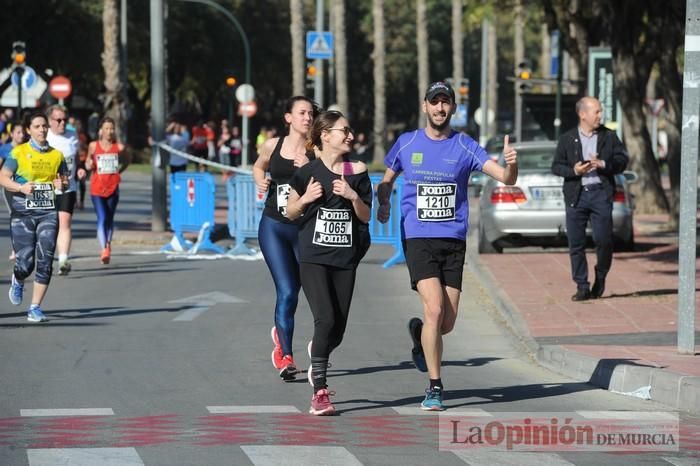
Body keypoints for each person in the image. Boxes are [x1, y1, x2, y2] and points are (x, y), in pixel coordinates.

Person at [376, 81, 518, 411]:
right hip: (418, 236)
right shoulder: (407, 143)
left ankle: (419, 337)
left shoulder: (465, 146)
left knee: (446, 324)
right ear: (425, 106)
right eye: (434, 102)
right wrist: (383, 199)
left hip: (453, 240)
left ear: (453, 108)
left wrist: (511, 163)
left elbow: (506, 179)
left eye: (446, 102)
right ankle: (435, 386)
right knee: (435, 308)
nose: (440, 108)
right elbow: (387, 178)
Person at [286, 111, 372, 416]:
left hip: (345, 259)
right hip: (314, 258)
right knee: (324, 319)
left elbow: (365, 216)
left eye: (349, 130)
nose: (349, 135)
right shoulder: (307, 172)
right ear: (325, 135)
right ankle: (319, 391)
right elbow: (291, 212)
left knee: (338, 328)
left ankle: (317, 349)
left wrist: (352, 196)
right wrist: (306, 198)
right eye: (343, 131)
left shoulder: (358, 171)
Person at [253, 96, 317, 381]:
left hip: (304, 230)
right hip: (274, 227)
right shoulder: (272, 145)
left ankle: (281, 335)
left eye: (311, 113)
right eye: (302, 112)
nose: (307, 117)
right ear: (288, 117)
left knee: (302, 291)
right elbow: (258, 166)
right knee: (288, 291)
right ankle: (286, 356)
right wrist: (260, 180)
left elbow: (328, 182)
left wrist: (309, 166)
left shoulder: (317, 151)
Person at [551, 96, 629, 301]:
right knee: (576, 243)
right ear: (582, 114)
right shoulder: (567, 138)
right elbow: (556, 166)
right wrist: (574, 170)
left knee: (603, 240)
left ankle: (601, 275)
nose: (600, 115)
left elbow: (622, 160)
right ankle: (582, 286)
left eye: (600, 111)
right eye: (596, 111)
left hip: (600, 194)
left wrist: (603, 163)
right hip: (576, 196)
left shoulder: (609, 136)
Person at [0, 111, 68, 322]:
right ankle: (18, 278)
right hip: (22, 212)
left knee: (46, 258)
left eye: (44, 126)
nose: (42, 129)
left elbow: (64, 182)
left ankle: (35, 307)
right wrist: (21, 187)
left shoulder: (57, 155)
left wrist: (61, 185)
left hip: (48, 212)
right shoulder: (18, 153)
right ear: (29, 130)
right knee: (26, 262)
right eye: (37, 126)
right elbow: (3, 177)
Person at [84, 116, 130, 265]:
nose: (109, 131)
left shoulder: (120, 148)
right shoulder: (93, 145)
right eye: (107, 128)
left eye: (112, 128)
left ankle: (107, 244)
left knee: (109, 218)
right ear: (100, 131)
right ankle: (104, 248)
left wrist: (119, 171)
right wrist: (89, 164)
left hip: (113, 187)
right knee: (102, 218)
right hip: (97, 188)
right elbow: (87, 163)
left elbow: (127, 160)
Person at [46, 104, 85, 276]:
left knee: (65, 223)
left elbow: (77, 157)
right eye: (58, 120)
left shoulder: (72, 135)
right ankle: (46, 259)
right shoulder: (44, 136)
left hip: (68, 187)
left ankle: (63, 260)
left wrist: (81, 168)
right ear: (50, 121)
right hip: (46, 188)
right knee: (48, 226)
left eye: (65, 119)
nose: (62, 123)